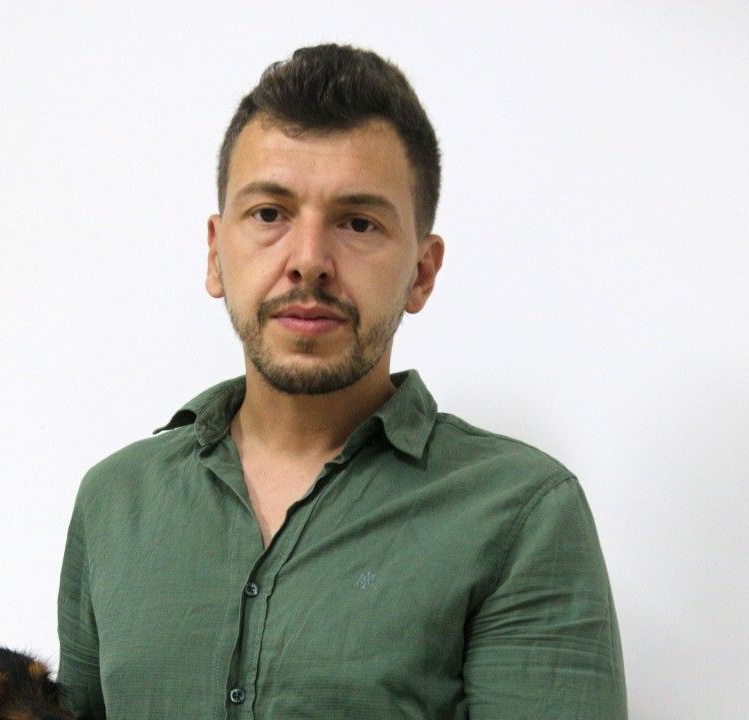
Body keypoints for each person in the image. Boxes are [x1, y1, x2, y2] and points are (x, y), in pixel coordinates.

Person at [57, 44, 627, 719]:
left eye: (358, 223)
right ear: (215, 253)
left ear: (421, 272)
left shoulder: (523, 514)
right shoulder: (115, 501)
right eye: (269, 214)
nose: (308, 261)